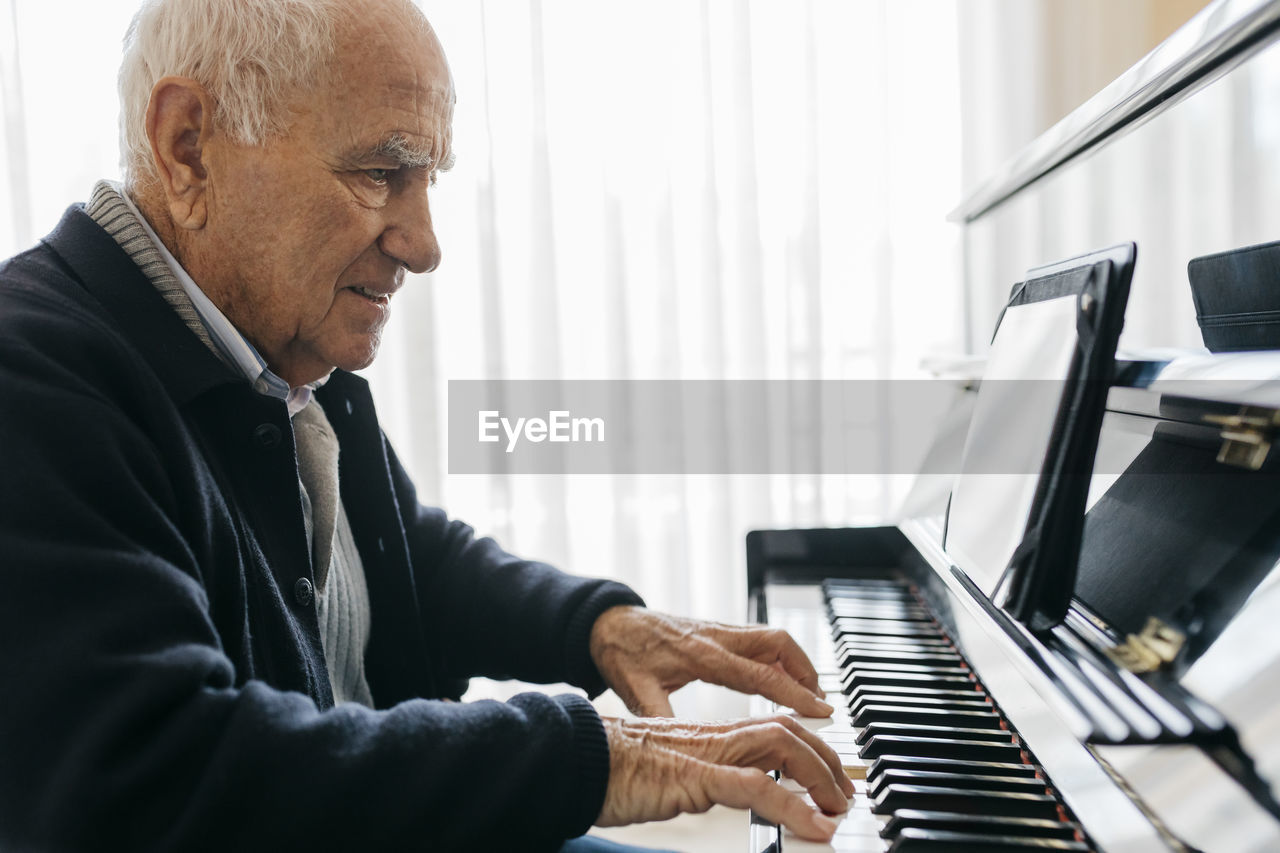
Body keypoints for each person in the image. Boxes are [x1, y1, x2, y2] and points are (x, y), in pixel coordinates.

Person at [0, 0, 852, 850]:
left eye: (428, 177)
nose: (425, 242)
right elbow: (156, 781)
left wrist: (592, 626)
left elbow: (393, 557)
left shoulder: (277, 347)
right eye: (381, 172)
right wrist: (589, 757)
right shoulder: (32, 382)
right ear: (188, 146)